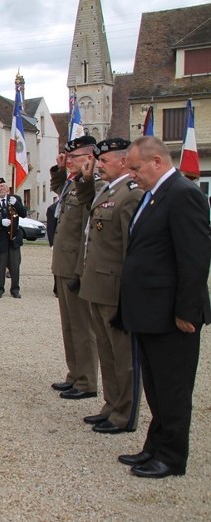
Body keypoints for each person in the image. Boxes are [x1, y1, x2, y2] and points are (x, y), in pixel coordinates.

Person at [116, 136, 210, 478]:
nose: (134, 175)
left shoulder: (184, 195)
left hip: (173, 316)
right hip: (151, 311)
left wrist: (187, 311)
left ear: (158, 161)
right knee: (156, 387)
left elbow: (195, 259)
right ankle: (155, 446)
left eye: (137, 168)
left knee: (172, 389)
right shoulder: (154, 196)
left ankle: (172, 457)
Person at [78, 138, 143, 434]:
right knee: (106, 350)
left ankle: (125, 412)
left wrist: (130, 293)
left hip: (115, 286)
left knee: (123, 355)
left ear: (123, 161)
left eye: (104, 161)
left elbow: (132, 249)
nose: (99, 164)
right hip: (97, 284)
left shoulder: (130, 195)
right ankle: (111, 403)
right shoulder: (107, 190)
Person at [49, 135, 103, 400]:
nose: (69, 161)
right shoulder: (72, 184)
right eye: (68, 157)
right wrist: (60, 171)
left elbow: (86, 232)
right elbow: (59, 192)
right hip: (63, 264)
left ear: (90, 159)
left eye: (75, 157)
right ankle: (75, 374)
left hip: (75, 266)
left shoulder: (90, 186)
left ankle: (87, 381)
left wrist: (81, 271)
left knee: (83, 328)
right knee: (69, 327)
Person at [0, 176, 26, 299]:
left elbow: (23, 214)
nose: (0, 189)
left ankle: (15, 289)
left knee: (14, 266)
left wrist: (16, 204)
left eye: (2, 186)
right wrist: (0, 222)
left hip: (13, 238)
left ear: (7, 187)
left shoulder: (15, 199)